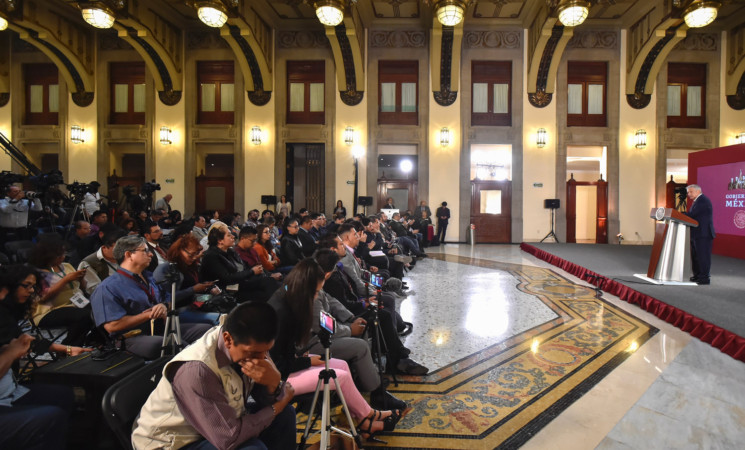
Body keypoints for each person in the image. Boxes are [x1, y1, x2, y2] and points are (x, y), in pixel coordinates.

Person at [267, 259, 402, 440]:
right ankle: (368, 419)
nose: (317, 297)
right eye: (315, 292)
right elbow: (277, 364)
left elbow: (287, 350)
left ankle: (365, 417)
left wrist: (301, 355)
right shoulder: (282, 313)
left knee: (342, 366)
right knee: (341, 376)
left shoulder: (291, 295)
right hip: (277, 380)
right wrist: (307, 360)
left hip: (291, 361)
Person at [131, 302, 297, 450]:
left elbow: (262, 399)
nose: (262, 359)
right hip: (171, 442)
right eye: (254, 352)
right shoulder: (196, 370)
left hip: (212, 425)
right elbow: (228, 439)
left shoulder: (247, 345)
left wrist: (273, 383)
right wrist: (276, 407)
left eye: (266, 351)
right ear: (228, 339)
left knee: (285, 415)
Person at [0, 265, 83, 450]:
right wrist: (12, 352)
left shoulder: (6, 314)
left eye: (33, 287)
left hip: (10, 389)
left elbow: (24, 340)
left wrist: (68, 349)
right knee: (52, 416)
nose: (31, 291)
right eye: (26, 286)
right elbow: (16, 345)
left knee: (63, 395)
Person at [90, 235, 211, 360]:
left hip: (161, 328)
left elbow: (169, 299)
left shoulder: (148, 277)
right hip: (132, 338)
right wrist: (148, 315)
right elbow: (112, 326)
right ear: (129, 255)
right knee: (176, 346)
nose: (151, 254)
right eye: (145, 251)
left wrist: (163, 306)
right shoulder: (108, 287)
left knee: (208, 331)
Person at [29, 235, 95, 346]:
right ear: (47, 256)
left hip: (75, 303)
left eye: (64, 254)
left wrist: (81, 278)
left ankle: (96, 340)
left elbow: (82, 288)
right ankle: (69, 347)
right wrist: (65, 280)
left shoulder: (67, 266)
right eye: (59, 255)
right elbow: (44, 298)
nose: (63, 257)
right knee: (84, 316)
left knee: (102, 308)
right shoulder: (38, 273)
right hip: (48, 310)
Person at [153, 234, 220, 325]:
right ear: (179, 251)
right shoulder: (165, 269)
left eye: (196, 254)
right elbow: (167, 298)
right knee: (221, 319)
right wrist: (193, 289)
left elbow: (193, 287)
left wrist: (207, 287)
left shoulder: (189, 266)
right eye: (191, 255)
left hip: (194, 305)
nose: (194, 258)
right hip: (177, 312)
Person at [200, 227, 278, 303]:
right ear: (220, 241)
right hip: (227, 290)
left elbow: (244, 268)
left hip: (239, 283)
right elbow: (226, 278)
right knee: (266, 291)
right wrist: (252, 272)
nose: (233, 236)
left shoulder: (230, 252)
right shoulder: (211, 256)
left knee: (270, 281)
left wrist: (259, 273)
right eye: (229, 235)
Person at [684, 184, 715, 285]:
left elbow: (692, 215)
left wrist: (679, 214)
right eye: (688, 192)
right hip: (696, 233)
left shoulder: (703, 200)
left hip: (703, 234)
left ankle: (704, 278)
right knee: (696, 256)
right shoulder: (697, 201)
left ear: (698, 191)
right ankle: (697, 275)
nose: (688, 194)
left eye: (690, 192)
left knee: (703, 256)